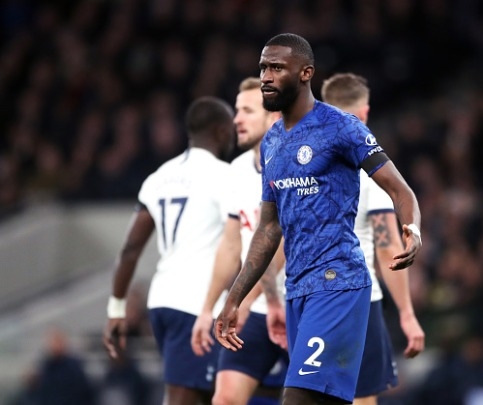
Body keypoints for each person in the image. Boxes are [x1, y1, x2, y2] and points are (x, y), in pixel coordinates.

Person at [215, 33, 422, 405]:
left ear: (305, 73)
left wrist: (413, 229)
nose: (266, 76)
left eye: (277, 67)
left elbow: (400, 189)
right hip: (297, 291)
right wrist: (235, 298)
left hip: (339, 284)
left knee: (298, 399)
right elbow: (269, 228)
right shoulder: (273, 142)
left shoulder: (341, 127)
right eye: (263, 68)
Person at [103, 96, 236, 405]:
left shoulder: (159, 176)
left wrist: (116, 309)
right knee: (184, 397)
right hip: (196, 305)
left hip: (162, 302)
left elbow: (130, 249)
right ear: (221, 132)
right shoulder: (225, 176)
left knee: (212, 395)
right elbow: (239, 243)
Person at [321, 72, 425, 404]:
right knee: (362, 399)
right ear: (364, 112)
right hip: (358, 303)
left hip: (310, 300)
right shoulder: (370, 169)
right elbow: (387, 246)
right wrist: (407, 313)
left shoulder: (303, 166)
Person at [190, 77, 288, 405]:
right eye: (236, 110)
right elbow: (231, 245)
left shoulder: (297, 165)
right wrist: (208, 309)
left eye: (247, 111)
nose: (236, 119)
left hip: (301, 303)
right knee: (225, 398)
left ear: (273, 116)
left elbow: (281, 243)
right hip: (256, 307)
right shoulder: (237, 170)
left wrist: (241, 303)